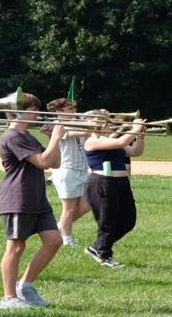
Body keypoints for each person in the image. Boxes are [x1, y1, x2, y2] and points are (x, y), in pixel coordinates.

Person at [0, 93, 64, 309]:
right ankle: (8, 298)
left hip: (37, 198)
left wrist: (55, 139)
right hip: (18, 198)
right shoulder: (12, 136)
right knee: (16, 247)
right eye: (35, 109)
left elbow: (56, 163)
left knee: (54, 241)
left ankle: (25, 286)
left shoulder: (28, 136)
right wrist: (55, 137)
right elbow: (43, 162)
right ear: (19, 111)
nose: (39, 113)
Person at [81, 118, 147, 268]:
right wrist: (135, 128)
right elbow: (121, 142)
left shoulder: (111, 141)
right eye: (106, 124)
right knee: (107, 221)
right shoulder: (92, 141)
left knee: (128, 221)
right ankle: (103, 254)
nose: (110, 126)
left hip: (121, 183)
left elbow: (136, 151)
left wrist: (140, 135)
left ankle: (97, 247)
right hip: (103, 182)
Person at [45, 97, 93, 245]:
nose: (74, 110)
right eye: (70, 108)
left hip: (83, 170)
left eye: (73, 107)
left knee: (90, 202)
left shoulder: (78, 122)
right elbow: (79, 133)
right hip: (67, 170)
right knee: (70, 209)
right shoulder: (57, 126)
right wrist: (93, 120)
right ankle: (66, 239)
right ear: (59, 112)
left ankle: (59, 226)